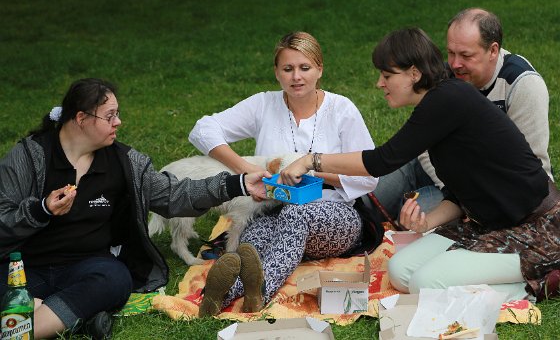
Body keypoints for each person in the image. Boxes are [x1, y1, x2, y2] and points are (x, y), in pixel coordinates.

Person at [280, 28, 560, 302]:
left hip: (538, 230)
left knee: (426, 284)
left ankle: (538, 284)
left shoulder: (448, 98)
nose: (380, 83)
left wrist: (311, 160)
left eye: (387, 75)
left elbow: (382, 161)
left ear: (414, 73)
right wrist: (428, 222)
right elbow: (460, 193)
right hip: (486, 223)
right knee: (400, 272)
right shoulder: (440, 102)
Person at [0, 78, 269, 339]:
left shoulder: (124, 162)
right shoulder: (29, 156)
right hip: (23, 266)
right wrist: (41, 210)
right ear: (81, 119)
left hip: (86, 265)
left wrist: (238, 184)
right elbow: (3, 217)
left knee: (115, 279)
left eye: (118, 114)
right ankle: (70, 318)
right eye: (110, 116)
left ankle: (21, 326)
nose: (118, 122)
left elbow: (174, 194)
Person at [188, 31, 379, 316]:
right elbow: (202, 130)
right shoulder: (264, 104)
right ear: (277, 72)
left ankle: (258, 290)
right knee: (253, 239)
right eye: (287, 69)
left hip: (336, 216)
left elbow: (369, 175)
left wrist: (312, 170)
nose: (296, 77)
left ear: (320, 70)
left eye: (305, 68)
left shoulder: (341, 110)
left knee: (295, 215)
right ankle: (222, 292)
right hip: (272, 210)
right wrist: (247, 169)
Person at [370, 8, 553, 222]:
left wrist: (459, 198)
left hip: (480, 189)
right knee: (371, 198)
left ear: (493, 50)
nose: (454, 64)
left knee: (416, 223)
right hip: (438, 172)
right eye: (450, 53)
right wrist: (448, 185)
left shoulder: (522, 85)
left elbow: (530, 164)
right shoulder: (445, 75)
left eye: (466, 55)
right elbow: (422, 146)